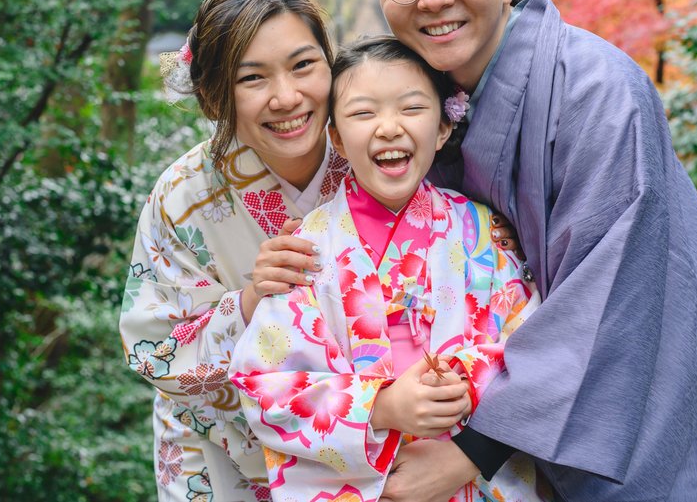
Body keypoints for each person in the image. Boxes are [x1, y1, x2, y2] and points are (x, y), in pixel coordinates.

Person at [255, 0, 697, 502]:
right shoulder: (429, 97)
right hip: (484, 453)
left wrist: (470, 452)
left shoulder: (598, 92)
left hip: (618, 424)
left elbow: (603, 303)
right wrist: (273, 276)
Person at [119, 0, 523, 500]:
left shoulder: (372, 145)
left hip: (417, 456)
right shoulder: (183, 198)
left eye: (304, 65)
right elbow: (154, 352)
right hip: (230, 455)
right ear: (216, 96)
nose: (287, 96)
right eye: (252, 78)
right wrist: (248, 302)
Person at [230, 36, 549, 502]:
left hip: (466, 473)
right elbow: (265, 387)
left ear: (443, 128)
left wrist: (464, 389)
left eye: (411, 108)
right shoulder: (307, 248)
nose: (388, 128)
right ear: (336, 137)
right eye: (363, 113)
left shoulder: (484, 232)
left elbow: (533, 345)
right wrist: (380, 406)